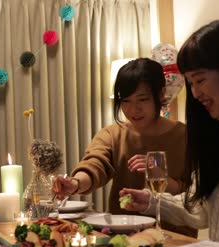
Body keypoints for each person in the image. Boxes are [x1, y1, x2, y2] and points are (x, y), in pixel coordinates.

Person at [120, 20, 219, 243]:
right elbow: (199, 210)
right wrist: (150, 202)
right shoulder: (216, 139)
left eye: (200, 79)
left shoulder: (181, 133)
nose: (195, 93)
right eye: (190, 83)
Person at [53, 58, 197, 236]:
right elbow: (95, 164)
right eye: (125, 101)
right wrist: (74, 184)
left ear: (160, 94)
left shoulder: (186, 136)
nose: (133, 110)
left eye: (142, 99)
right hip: (122, 237)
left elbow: (194, 198)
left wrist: (158, 174)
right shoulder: (113, 134)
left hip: (176, 239)